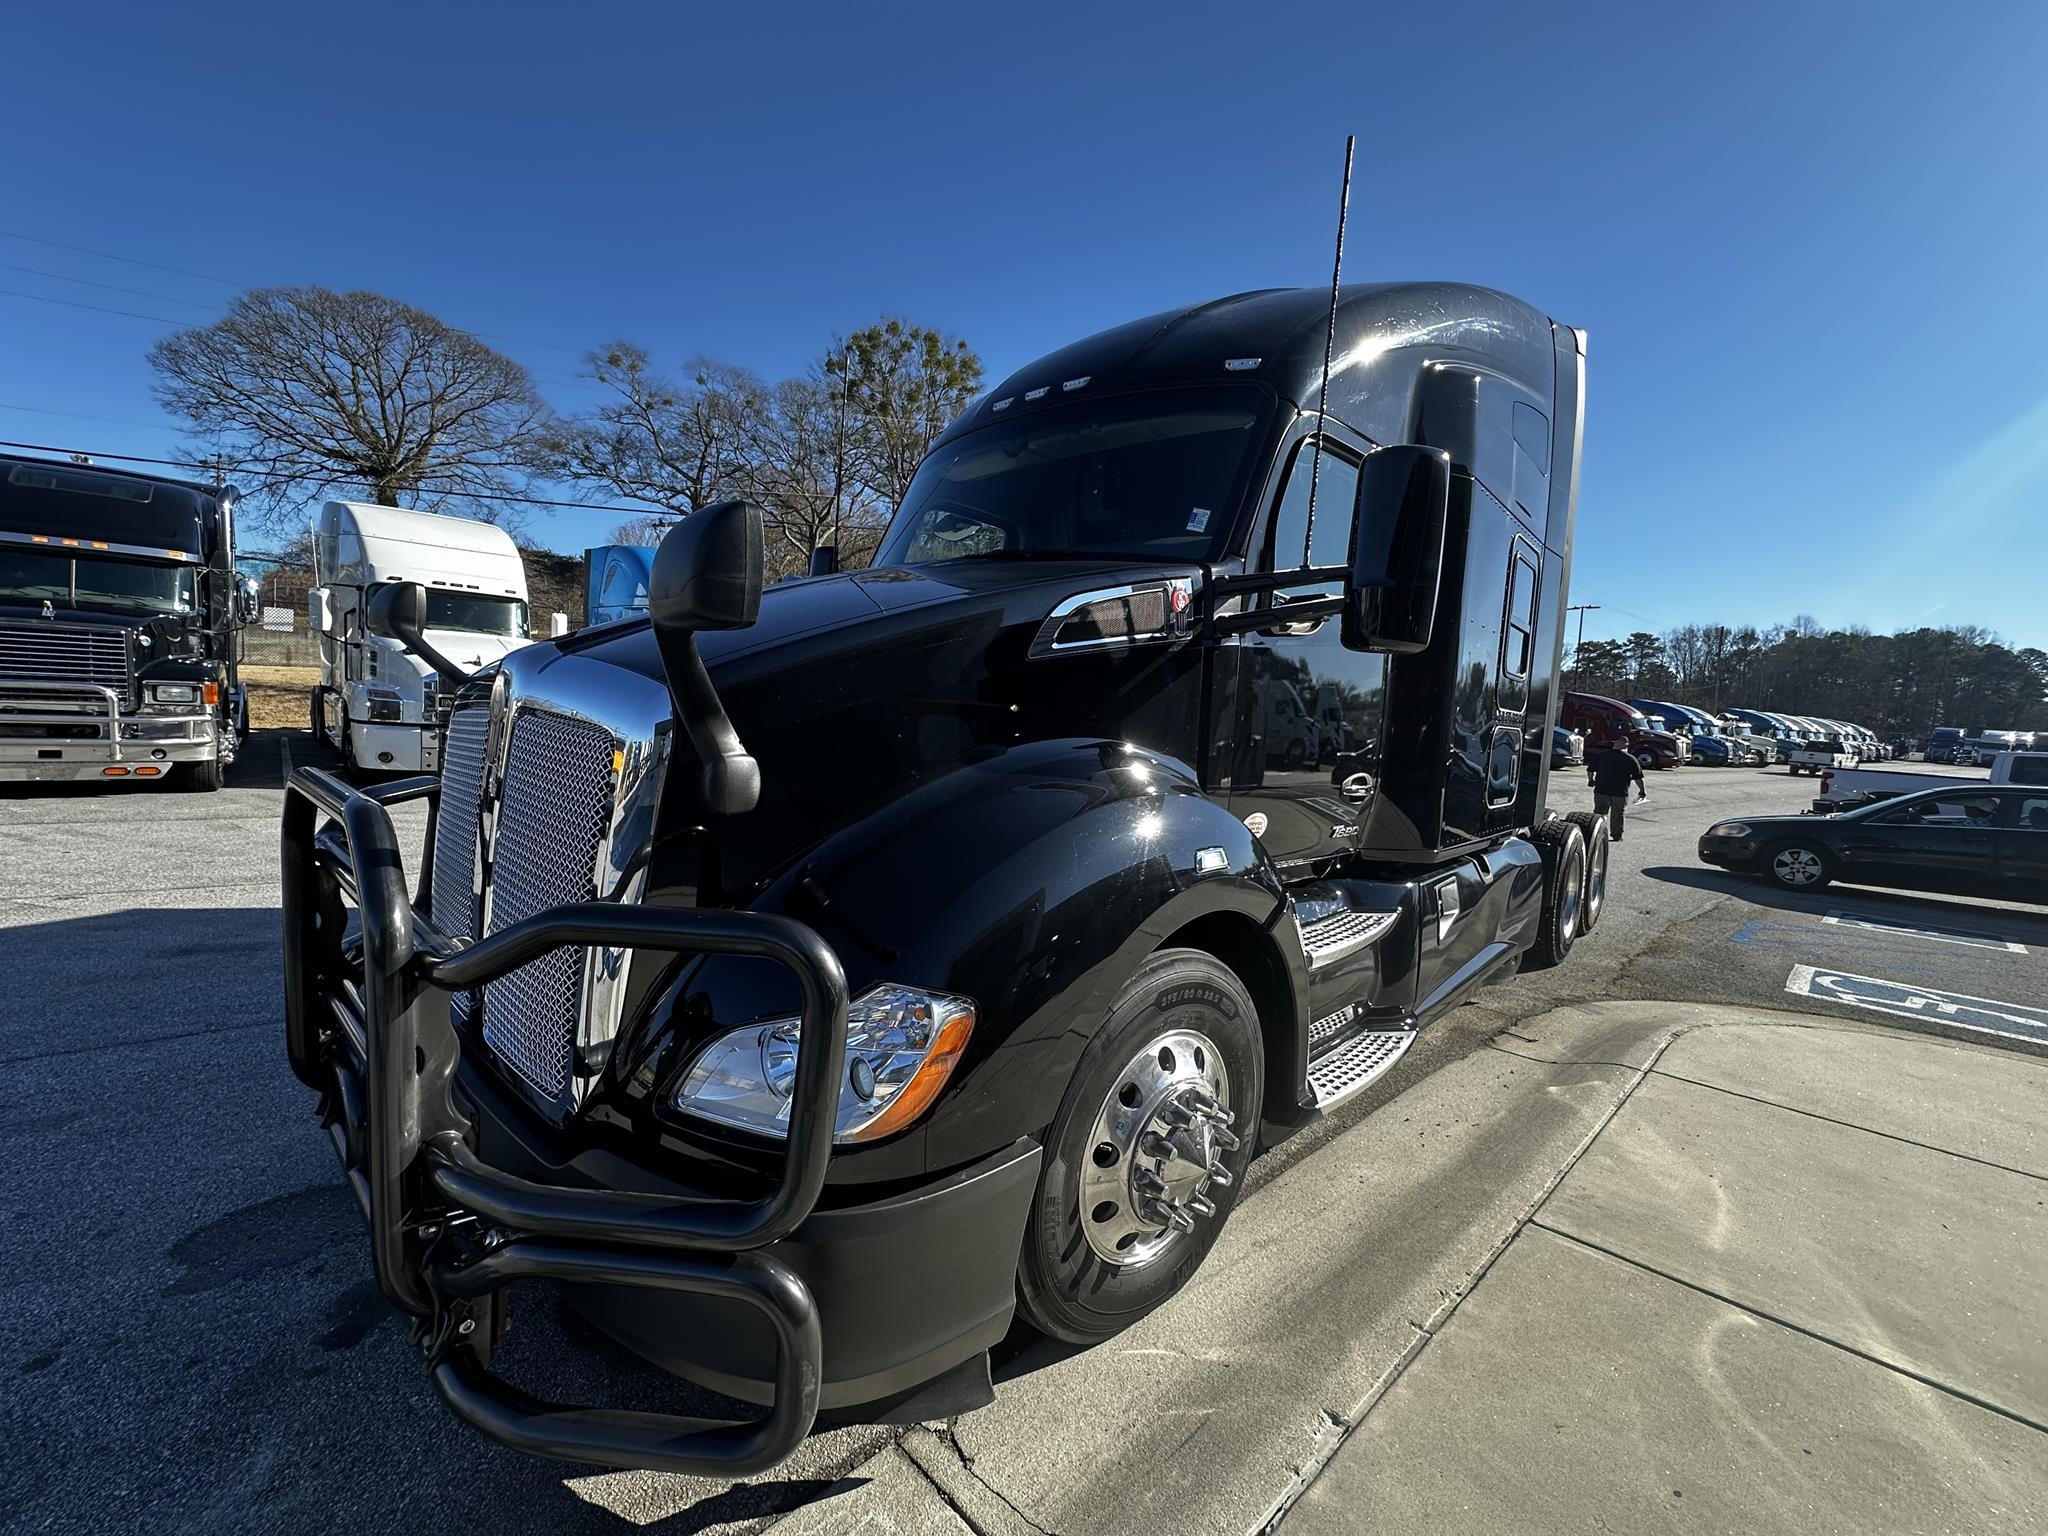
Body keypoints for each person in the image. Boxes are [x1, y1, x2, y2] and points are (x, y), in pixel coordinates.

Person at [1585, 736, 1646, 841]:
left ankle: (1597, 834)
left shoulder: (1602, 755)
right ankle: (1616, 836)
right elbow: (1638, 778)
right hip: (1620, 793)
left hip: (1601, 790)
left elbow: (1590, 769)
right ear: (1626, 745)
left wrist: (1591, 780)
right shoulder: (1630, 759)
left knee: (1600, 813)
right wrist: (1642, 791)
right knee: (1617, 815)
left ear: (1614, 744)